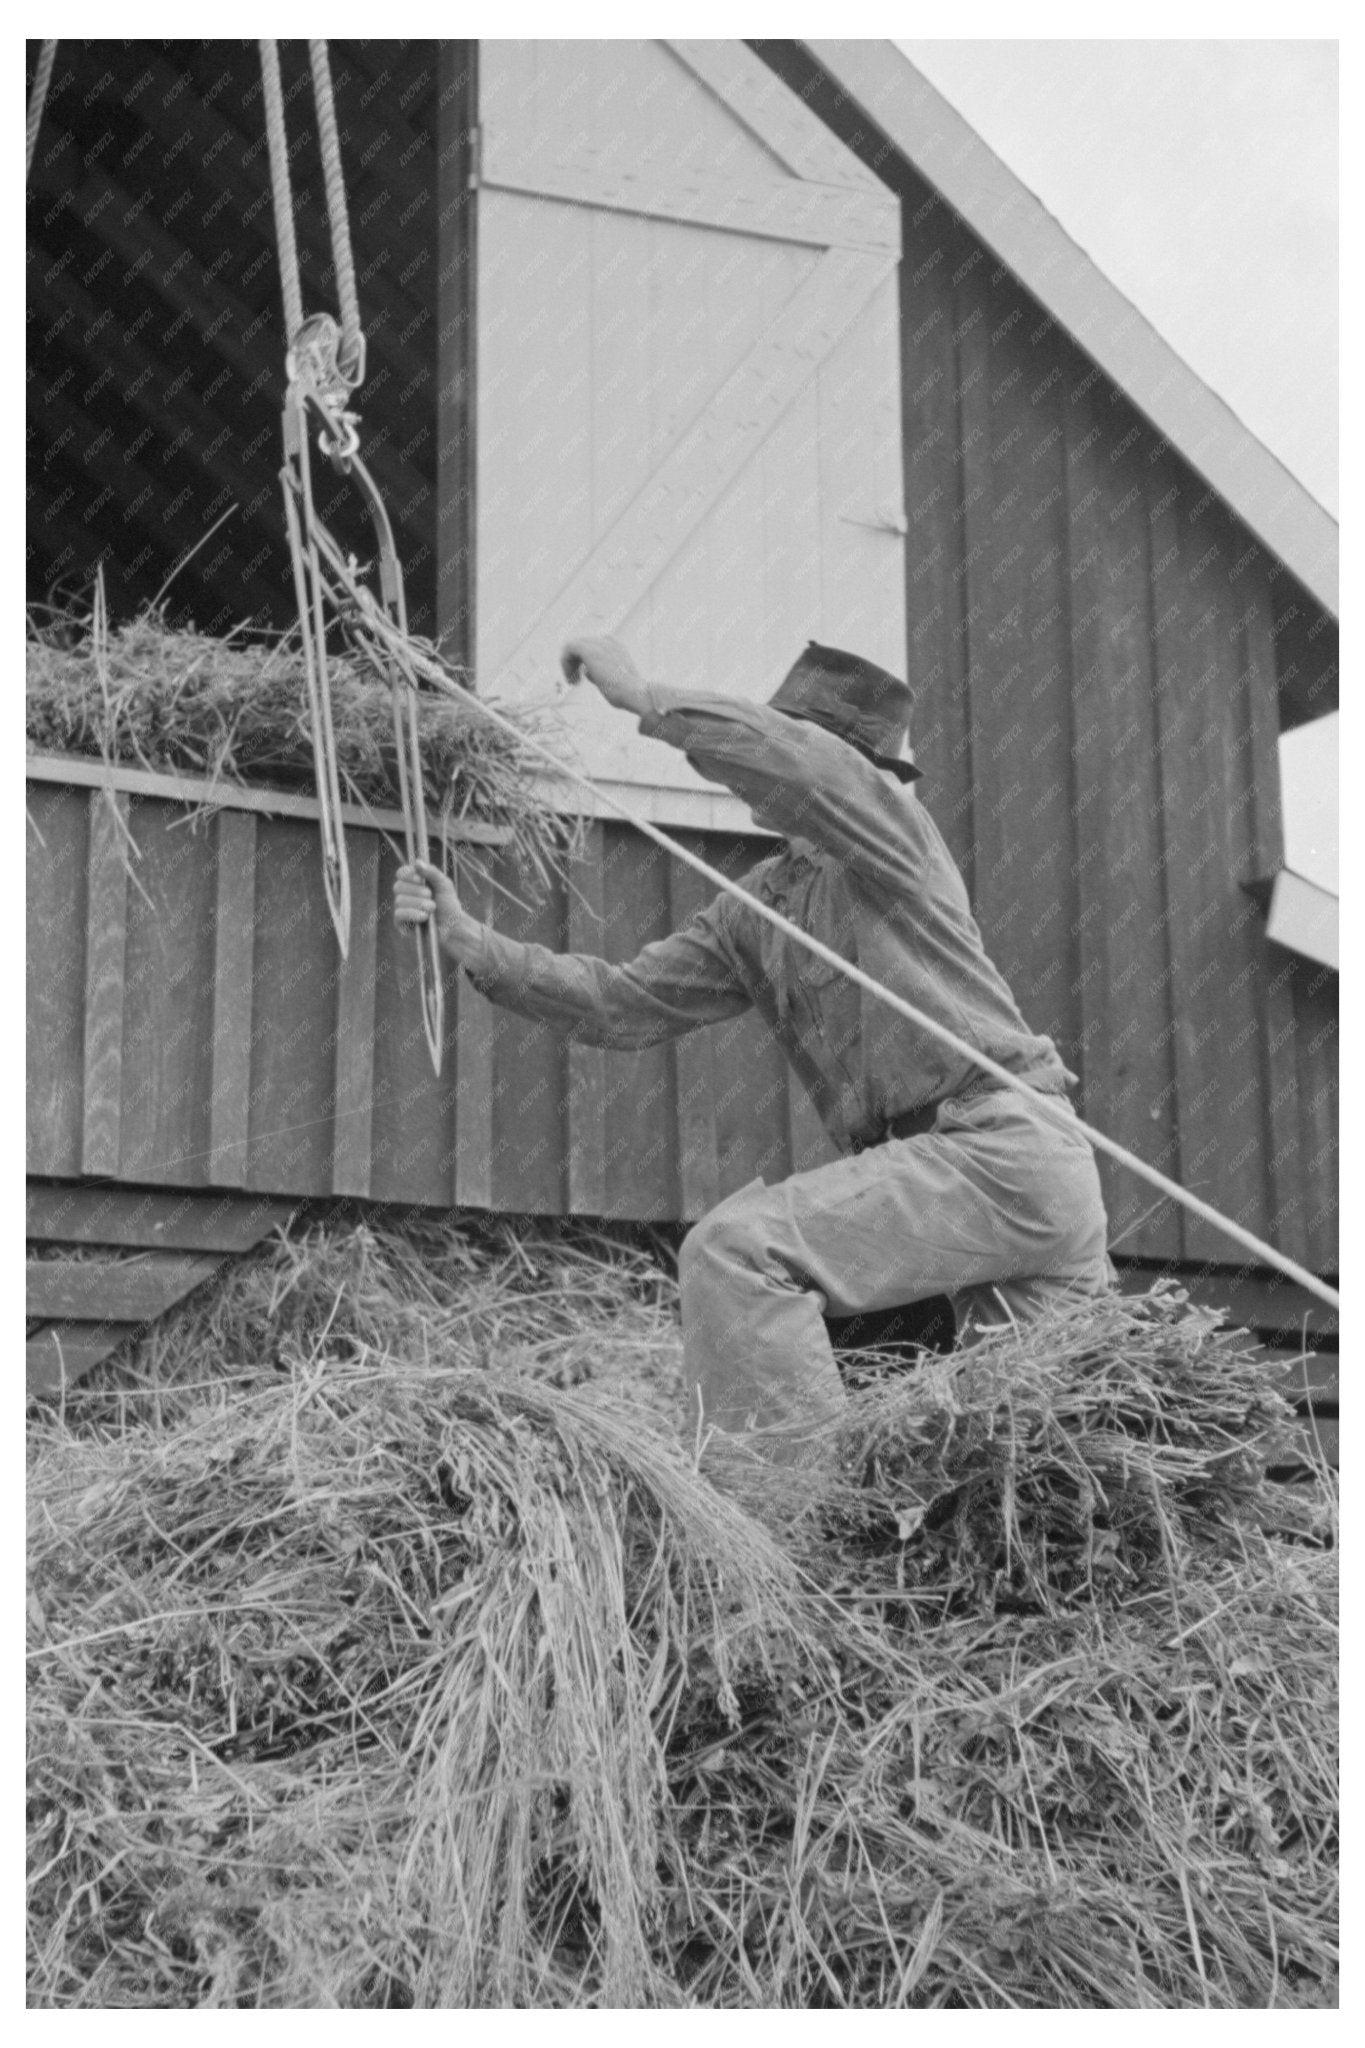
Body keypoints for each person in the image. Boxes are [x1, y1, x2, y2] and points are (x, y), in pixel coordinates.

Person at [394, 635, 1113, 1470]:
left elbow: (810, 770)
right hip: (966, 1190)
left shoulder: (890, 839)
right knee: (1013, 1464)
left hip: (1002, 1154)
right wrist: (477, 945)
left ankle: (791, 1533)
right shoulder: (756, 913)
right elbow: (621, 1002)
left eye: (788, 743)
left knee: (737, 1251)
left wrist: (648, 701)